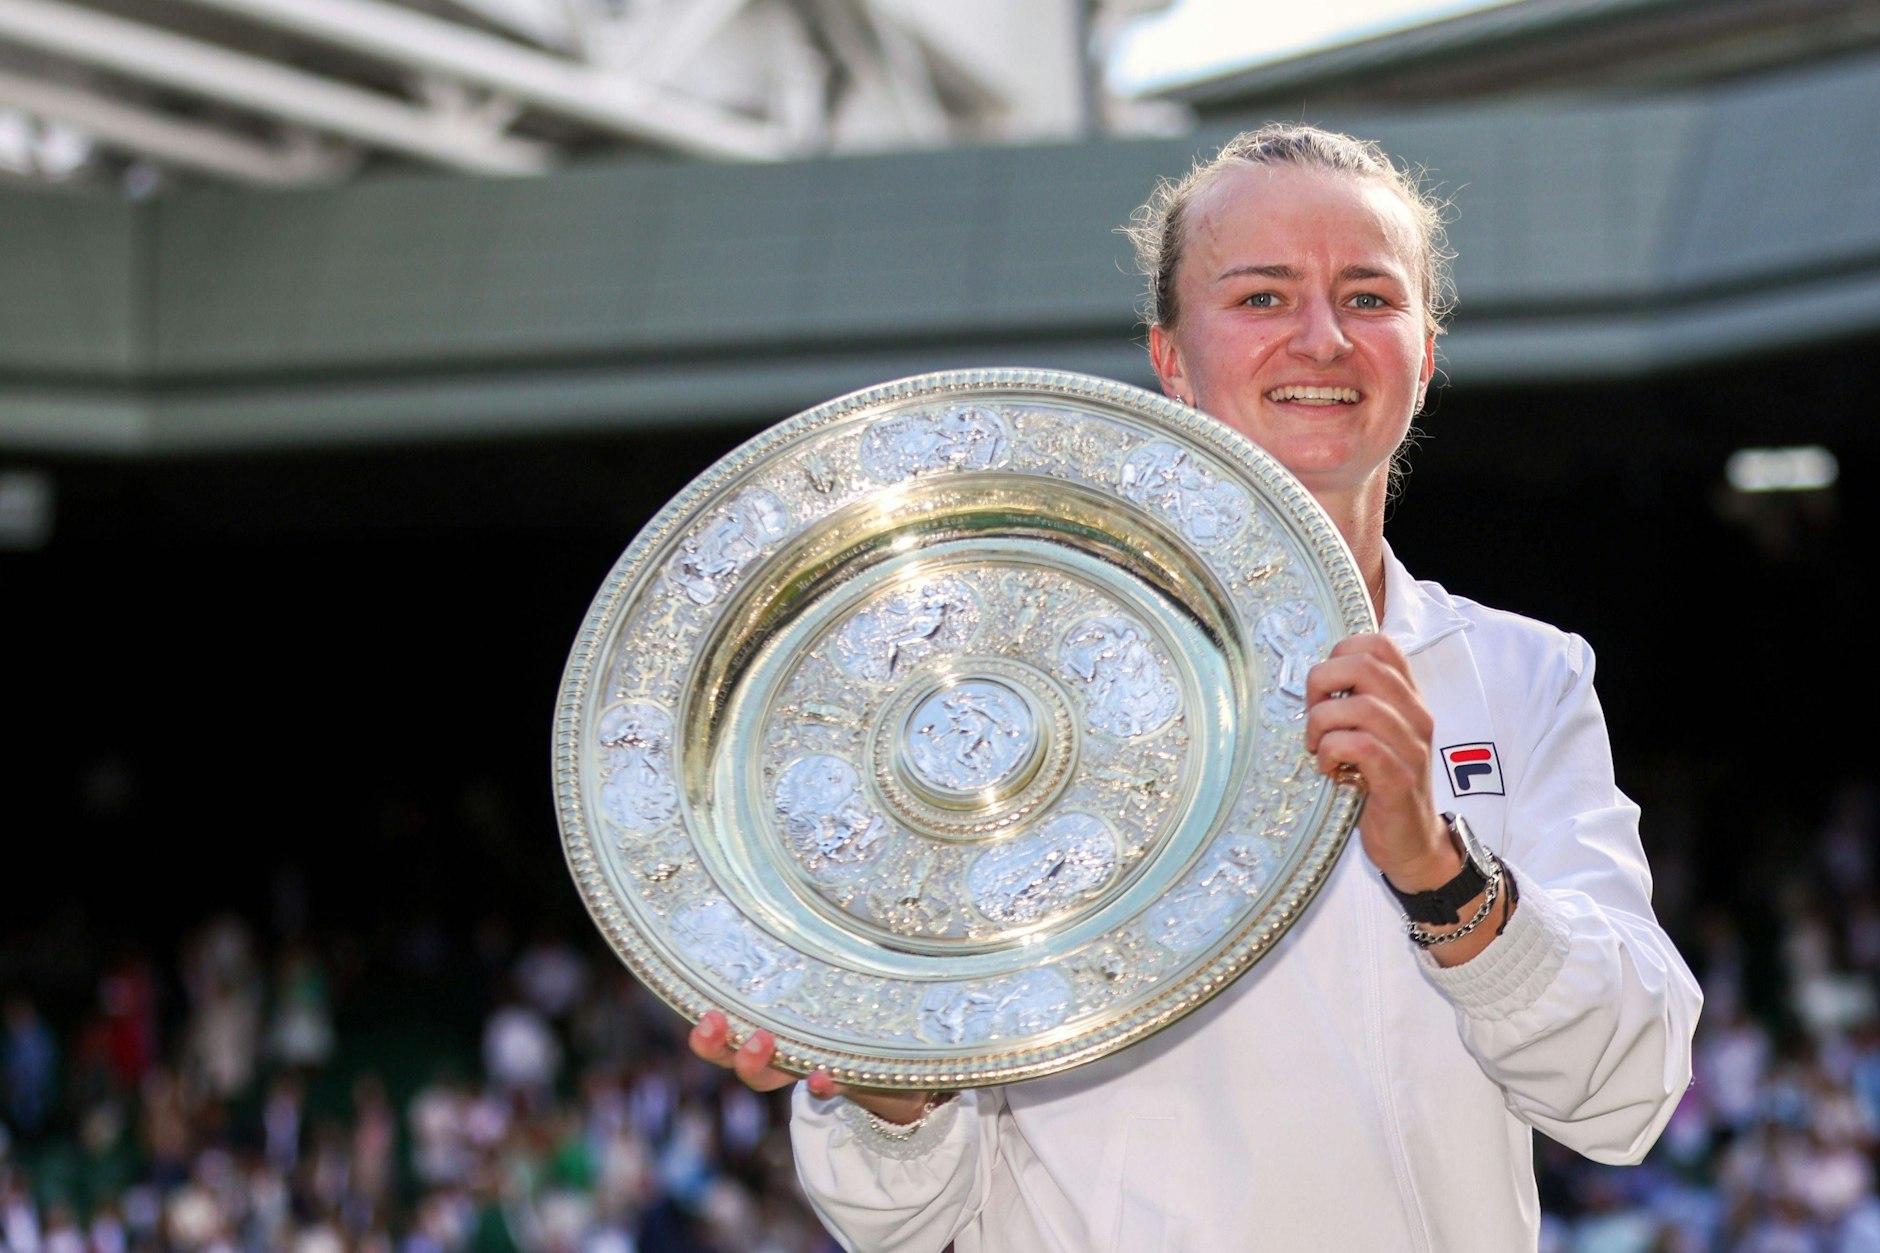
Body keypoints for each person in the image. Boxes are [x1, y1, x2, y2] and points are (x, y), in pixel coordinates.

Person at [689, 123, 1703, 1251]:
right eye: (1261, 297)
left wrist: (1436, 867)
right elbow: (899, 1215)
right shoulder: (997, 701)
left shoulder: (1520, 673)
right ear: (1169, 355)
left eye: (1367, 297)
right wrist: (880, 1077)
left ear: (1423, 354)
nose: (1320, 338)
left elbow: (1627, 1092)